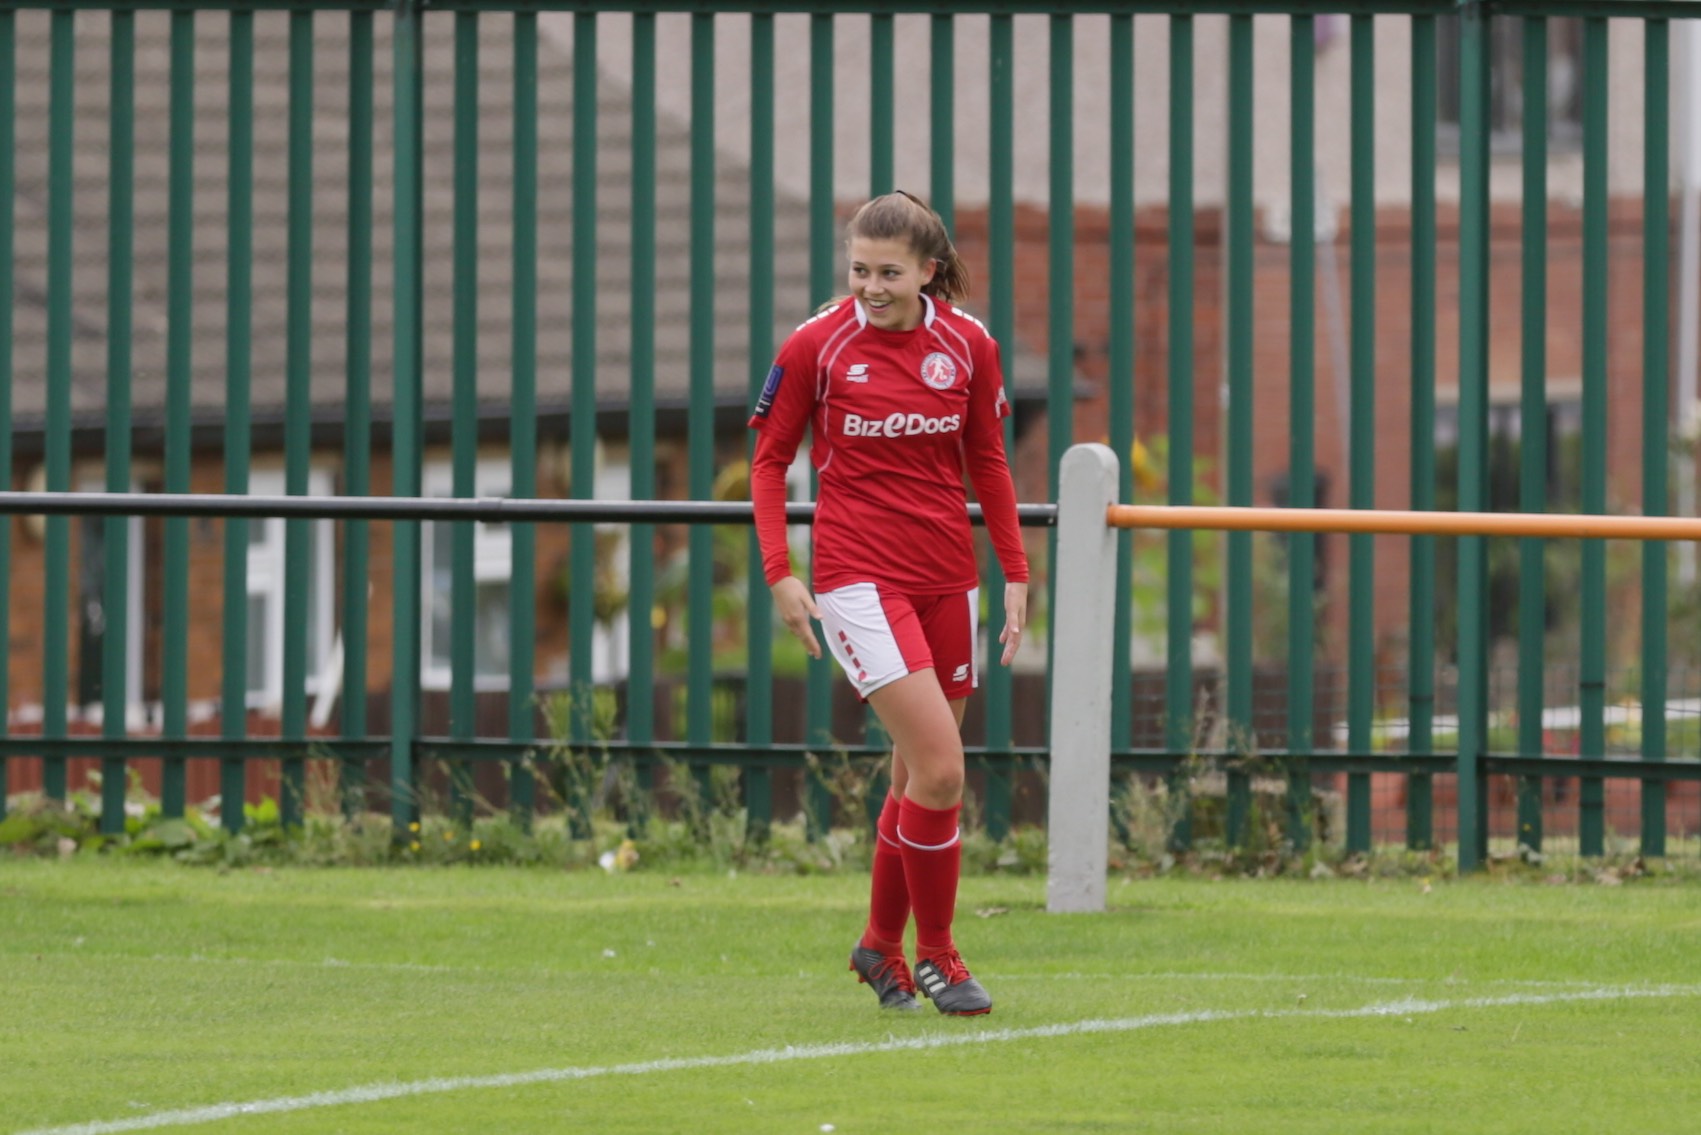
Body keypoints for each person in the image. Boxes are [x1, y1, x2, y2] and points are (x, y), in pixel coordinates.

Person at [748, 190, 1029, 1016]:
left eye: (887, 272)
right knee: (942, 769)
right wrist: (779, 572)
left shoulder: (970, 344)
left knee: (914, 775)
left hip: (947, 575)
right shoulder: (815, 345)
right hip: (855, 578)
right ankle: (937, 955)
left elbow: (988, 459)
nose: (868, 286)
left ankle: (877, 946)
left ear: (928, 272)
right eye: (857, 269)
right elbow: (768, 464)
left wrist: (1014, 569)